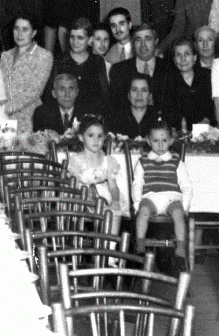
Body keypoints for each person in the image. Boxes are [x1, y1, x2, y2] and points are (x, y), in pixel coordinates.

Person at [133, 120, 193, 268]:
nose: (160, 145)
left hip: (171, 196)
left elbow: (187, 185)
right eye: (155, 140)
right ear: (148, 141)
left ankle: (180, 248)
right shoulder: (143, 161)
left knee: (178, 214)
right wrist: (137, 203)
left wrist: (184, 206)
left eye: (164, 140)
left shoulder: (176, 162)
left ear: (171, 141)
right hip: (151, 197)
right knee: (143, 213)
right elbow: (137, 183)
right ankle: (140, 245)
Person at [0, 15, 53, 135]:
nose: (19, 34)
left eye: (25, 30)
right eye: (16, 29)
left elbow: (34, 92)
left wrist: (5, 109)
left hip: (29, 117)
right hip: (5, 118)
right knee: (5, 149)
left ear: (33, 33)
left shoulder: (44, 56)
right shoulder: (5, 56)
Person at [67, 116, 126, 217]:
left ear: (104, 138)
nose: (96, 140)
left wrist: (115, 201)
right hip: (82, 198)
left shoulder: (108, 161)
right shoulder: (76, 160)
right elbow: (73, 187)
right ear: (81, 137)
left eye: (100, 136)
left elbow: (113, 186)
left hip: (104, 197)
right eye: (91, 135)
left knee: (113, 212)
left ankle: (110, 232)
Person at [47, 18, 109, 113]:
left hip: (91, 115)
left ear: (90, 40)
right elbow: (52, 92)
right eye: (72, 37)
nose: (75, 42)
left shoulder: (97, 61)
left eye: (80, 38)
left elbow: (104, 94)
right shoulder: (60, 60)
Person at [158, 38, 214, 129]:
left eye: (187, 54)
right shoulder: (166, 80)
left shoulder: (207, 76)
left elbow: (213, 106)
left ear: (195, 57)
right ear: (174, 60)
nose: (183, 59)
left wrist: (207, 120)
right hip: (178, 132)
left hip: (208, 130)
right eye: (178, 55)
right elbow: (167, 112)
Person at [109, 24, 163, 116]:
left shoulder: (169, 67)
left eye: (148, 39)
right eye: (138, 40)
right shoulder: (119, 70)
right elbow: (115, 107)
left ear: (156, 42)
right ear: (133, 44)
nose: (143, 45)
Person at [109, 74, 161, 139]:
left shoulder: (158, 118)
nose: (139, 95)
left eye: (144, 90)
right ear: (128, 95)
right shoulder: (116, 118)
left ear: (150, 95)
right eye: (134, 90)